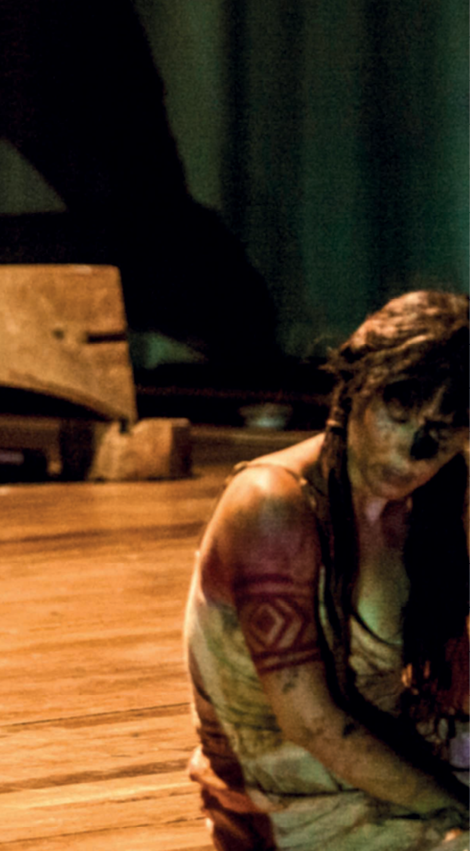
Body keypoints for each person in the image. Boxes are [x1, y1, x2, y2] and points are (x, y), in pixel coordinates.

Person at [184, 290, 469, 850]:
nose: (412, 451)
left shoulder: (425, 506)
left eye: (442, 431)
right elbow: (311, 724)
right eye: (399, 413)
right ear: (356, 388)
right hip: (294, 802)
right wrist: (452, 805)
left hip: (396, 767)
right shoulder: (273, 504)